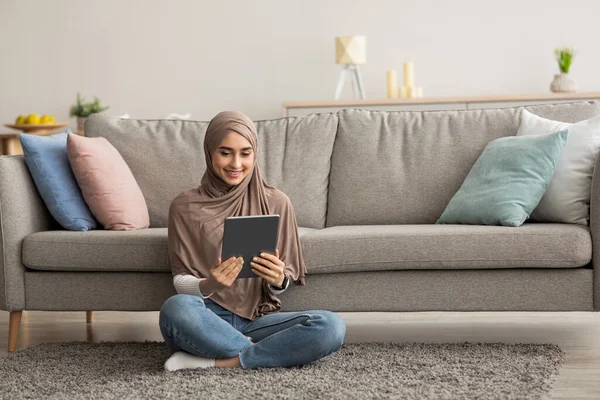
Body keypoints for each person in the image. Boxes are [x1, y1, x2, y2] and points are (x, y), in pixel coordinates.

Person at [159, 111, 346, 371]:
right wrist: (209, 283)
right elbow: (180, 280)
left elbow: (287, 276)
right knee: (175, 308)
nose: (236, 163)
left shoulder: (276, 201)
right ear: (210, 151)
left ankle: (220, 361)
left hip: (258, 321)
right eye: (225, 152)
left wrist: (278, 279)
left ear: (254, 154)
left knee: (331, 326)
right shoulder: (185, 206)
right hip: (205, 318)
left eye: (245, 153)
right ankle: (267, 352)